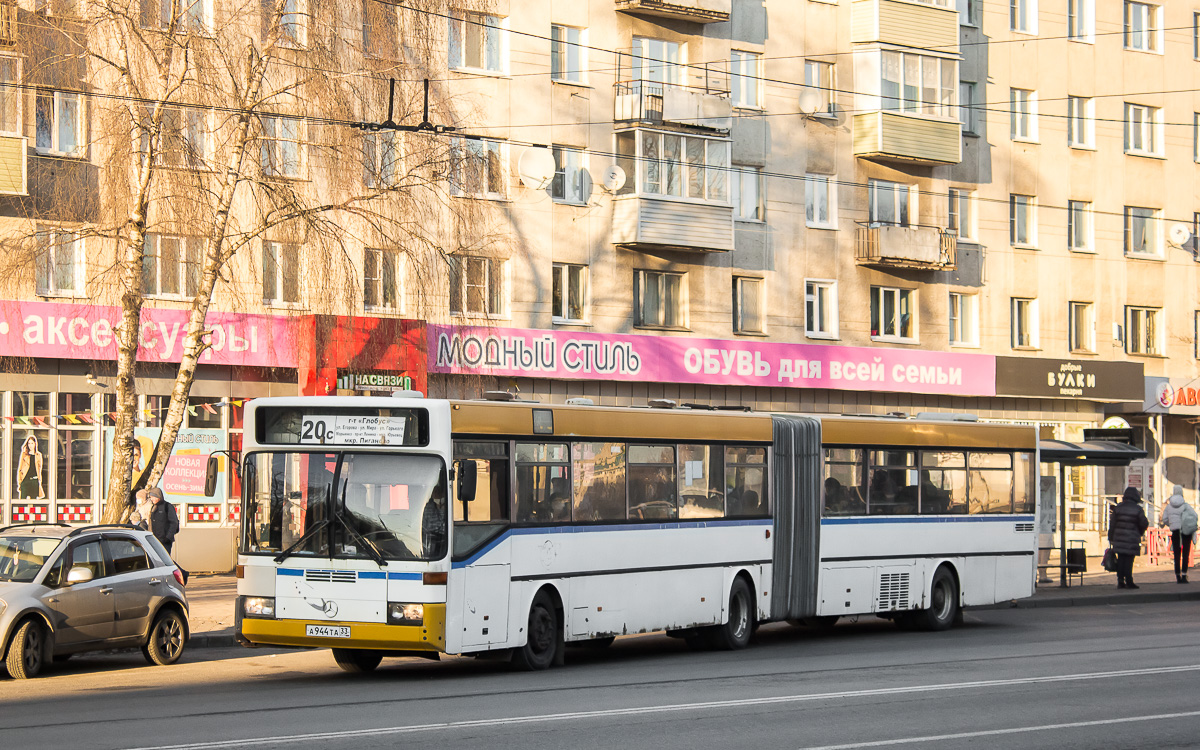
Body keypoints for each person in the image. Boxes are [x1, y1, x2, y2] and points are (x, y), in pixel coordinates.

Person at [1108, 486, 1150, 589]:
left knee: (1121, 559)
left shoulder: (1118, 508)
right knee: (1129, 561)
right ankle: (1129, 581)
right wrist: (1139, 532)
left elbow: (1112, 524)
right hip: (1132, 538)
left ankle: (1120, 581)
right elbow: (1144, 523)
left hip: (1119, 538)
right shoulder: (1138, 509)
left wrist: (1111, 537)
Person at [1158, 484, 1197, 583]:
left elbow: (1165, 519)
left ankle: (1177, 576)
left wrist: (1171, 524)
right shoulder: (1185, 505)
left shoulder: (1169, 507)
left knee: (1176, 555)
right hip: (1185, 532)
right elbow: (1194, 516)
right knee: (1185, 554)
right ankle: (1184, 575)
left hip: (1175, 532)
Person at [146, 487, 180, 554]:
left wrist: (168, 537)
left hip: (165, 541)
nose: (151, 499)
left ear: (157, 496)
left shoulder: (167, 506)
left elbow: (174, 523)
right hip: (155, 541)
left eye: (152, 497)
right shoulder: (153, 507)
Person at [16, 435, 43, 500]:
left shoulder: (38, 455)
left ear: (35, 444)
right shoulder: (24, 454)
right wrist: (20, 481)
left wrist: (39, 480)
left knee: (33, 500)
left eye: (32, 443)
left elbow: (39, 469)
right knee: (23, 500)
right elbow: (20, 468)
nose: (30, 445)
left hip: (34, 480)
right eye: (29, 443)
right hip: (25, 480)